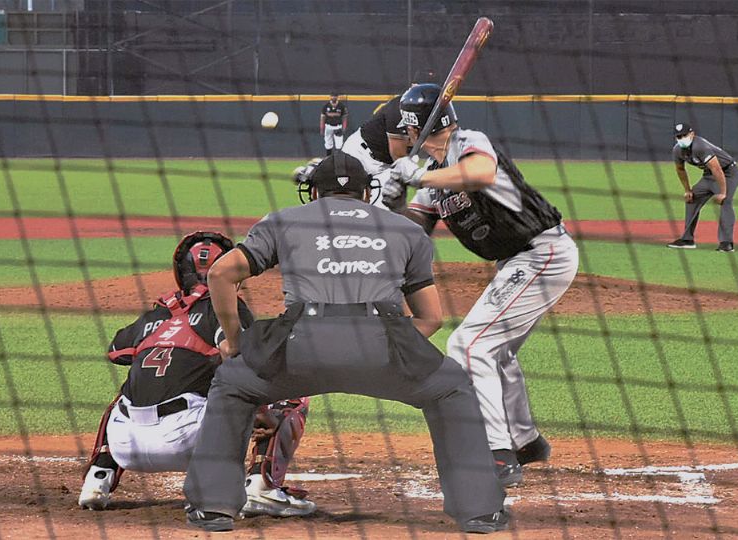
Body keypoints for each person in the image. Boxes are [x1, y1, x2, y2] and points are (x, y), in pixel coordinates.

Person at [182, 151, 509, 534]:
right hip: (384, 346)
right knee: (451, 389)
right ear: (366, 193)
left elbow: (220, 272)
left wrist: (234, 343)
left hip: (299, 345)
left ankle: (213, 507)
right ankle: (479, 511)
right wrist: (392, 344)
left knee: (233, 385)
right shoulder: (405, 229)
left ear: (315, 192)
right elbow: (430, 317)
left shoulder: (283, 220)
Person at [386, 83, 579, 488]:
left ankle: (497, 455)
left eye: (406, 126)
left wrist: (421, 174)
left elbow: (481, 173)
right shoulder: (436, 176)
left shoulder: (468, 142)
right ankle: (526, 442)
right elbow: (415, 229)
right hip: (518, 260)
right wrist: (389, 202)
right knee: (497, 351)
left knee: (470, 345)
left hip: (542, 252)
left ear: (418, 126)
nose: (403, 135)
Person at [78, 231, 315, 518]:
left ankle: (98, 479)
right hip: (187, 441)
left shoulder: (159, 313)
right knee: (291, 392)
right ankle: (261, 486)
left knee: (125, 395)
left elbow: (117, 351)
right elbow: (239, 357)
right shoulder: (225, 307)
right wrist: (263, 412)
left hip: (125, 445)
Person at [667, 122, 738, 252]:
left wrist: (723, 192)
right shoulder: (678, 150)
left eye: (684, 135)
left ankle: (726, 243)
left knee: (725, 202)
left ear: (692, 134)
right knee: (692, 199)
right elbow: (680, 169)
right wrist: (687, 190)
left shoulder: (700, 147)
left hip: (728, 173)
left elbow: (717, 169)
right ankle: (687, 240)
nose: (681, 139)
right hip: (708, 175)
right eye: (678, 137)